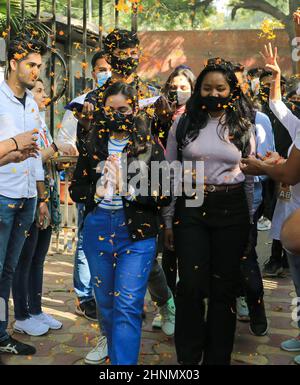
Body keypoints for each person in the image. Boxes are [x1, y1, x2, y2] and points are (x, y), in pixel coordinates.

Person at [69, 82, 171, 365]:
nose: (117, 115)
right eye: (111, 110)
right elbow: (76, 189)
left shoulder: (148, 146)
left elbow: (165, 194)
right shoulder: (92, 143)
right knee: (107, 304)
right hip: (98, 227)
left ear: (135, 109)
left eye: (123, 109)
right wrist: (96, 192)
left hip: (136, 234)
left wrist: (129, 188)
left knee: (127, 304)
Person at [163, 58, 255, 365]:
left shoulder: (244, 125)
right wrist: (168, 220)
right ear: (198, 90)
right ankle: (188, 360)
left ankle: (218, 358)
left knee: (223, 289)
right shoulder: (184, 123)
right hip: (191, 205)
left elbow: (250, 178)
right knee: (190, 285)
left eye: (221, 88)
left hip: (232, 210)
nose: (213, 94)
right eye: (207, 88)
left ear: (231, 91)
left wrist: (250, 223)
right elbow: (169, 171)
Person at [241, 42, 300, 365]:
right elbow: (280, 109)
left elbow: (290, 174)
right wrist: (275, 77)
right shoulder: (299, 126)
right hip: (293, 216)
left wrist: (263, 166)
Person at [0, 38, 49, 355]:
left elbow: (34, 153)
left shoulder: (31, 102)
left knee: (8, 270)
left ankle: (1, 334)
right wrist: (15, 144)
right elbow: (19, 145)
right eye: (31, 64)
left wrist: (41, 196)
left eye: (40, 66)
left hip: (28, 195)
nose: (36, 71)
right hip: (2, 195)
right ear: (14, 62)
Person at [12, 79, 62, 337]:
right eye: (40, 90)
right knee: (24, 259)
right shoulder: (23, 123)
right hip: (31, 196)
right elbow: (34, 158)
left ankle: (36, 309)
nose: (45, 95)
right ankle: (21, 315)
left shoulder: (41, 123)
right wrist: (56, 147)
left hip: (47, 194)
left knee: (38, 258)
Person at [152, 66, 196, 331]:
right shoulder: (158, 115)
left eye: (184, 87)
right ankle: (166, 306)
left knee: (189, 250)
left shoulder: (197, 119)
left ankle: (189, 305)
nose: (177, 92)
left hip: (190, 191)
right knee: (166, 252)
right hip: (159, 187)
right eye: (173, 86)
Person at [233, 63, 274, 334]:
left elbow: (269, 159)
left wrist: (250, 168)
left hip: (249, 200)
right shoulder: (203, 120)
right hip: (210, 202)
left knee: (245, 255)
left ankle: (254, 302)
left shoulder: (259, 120)